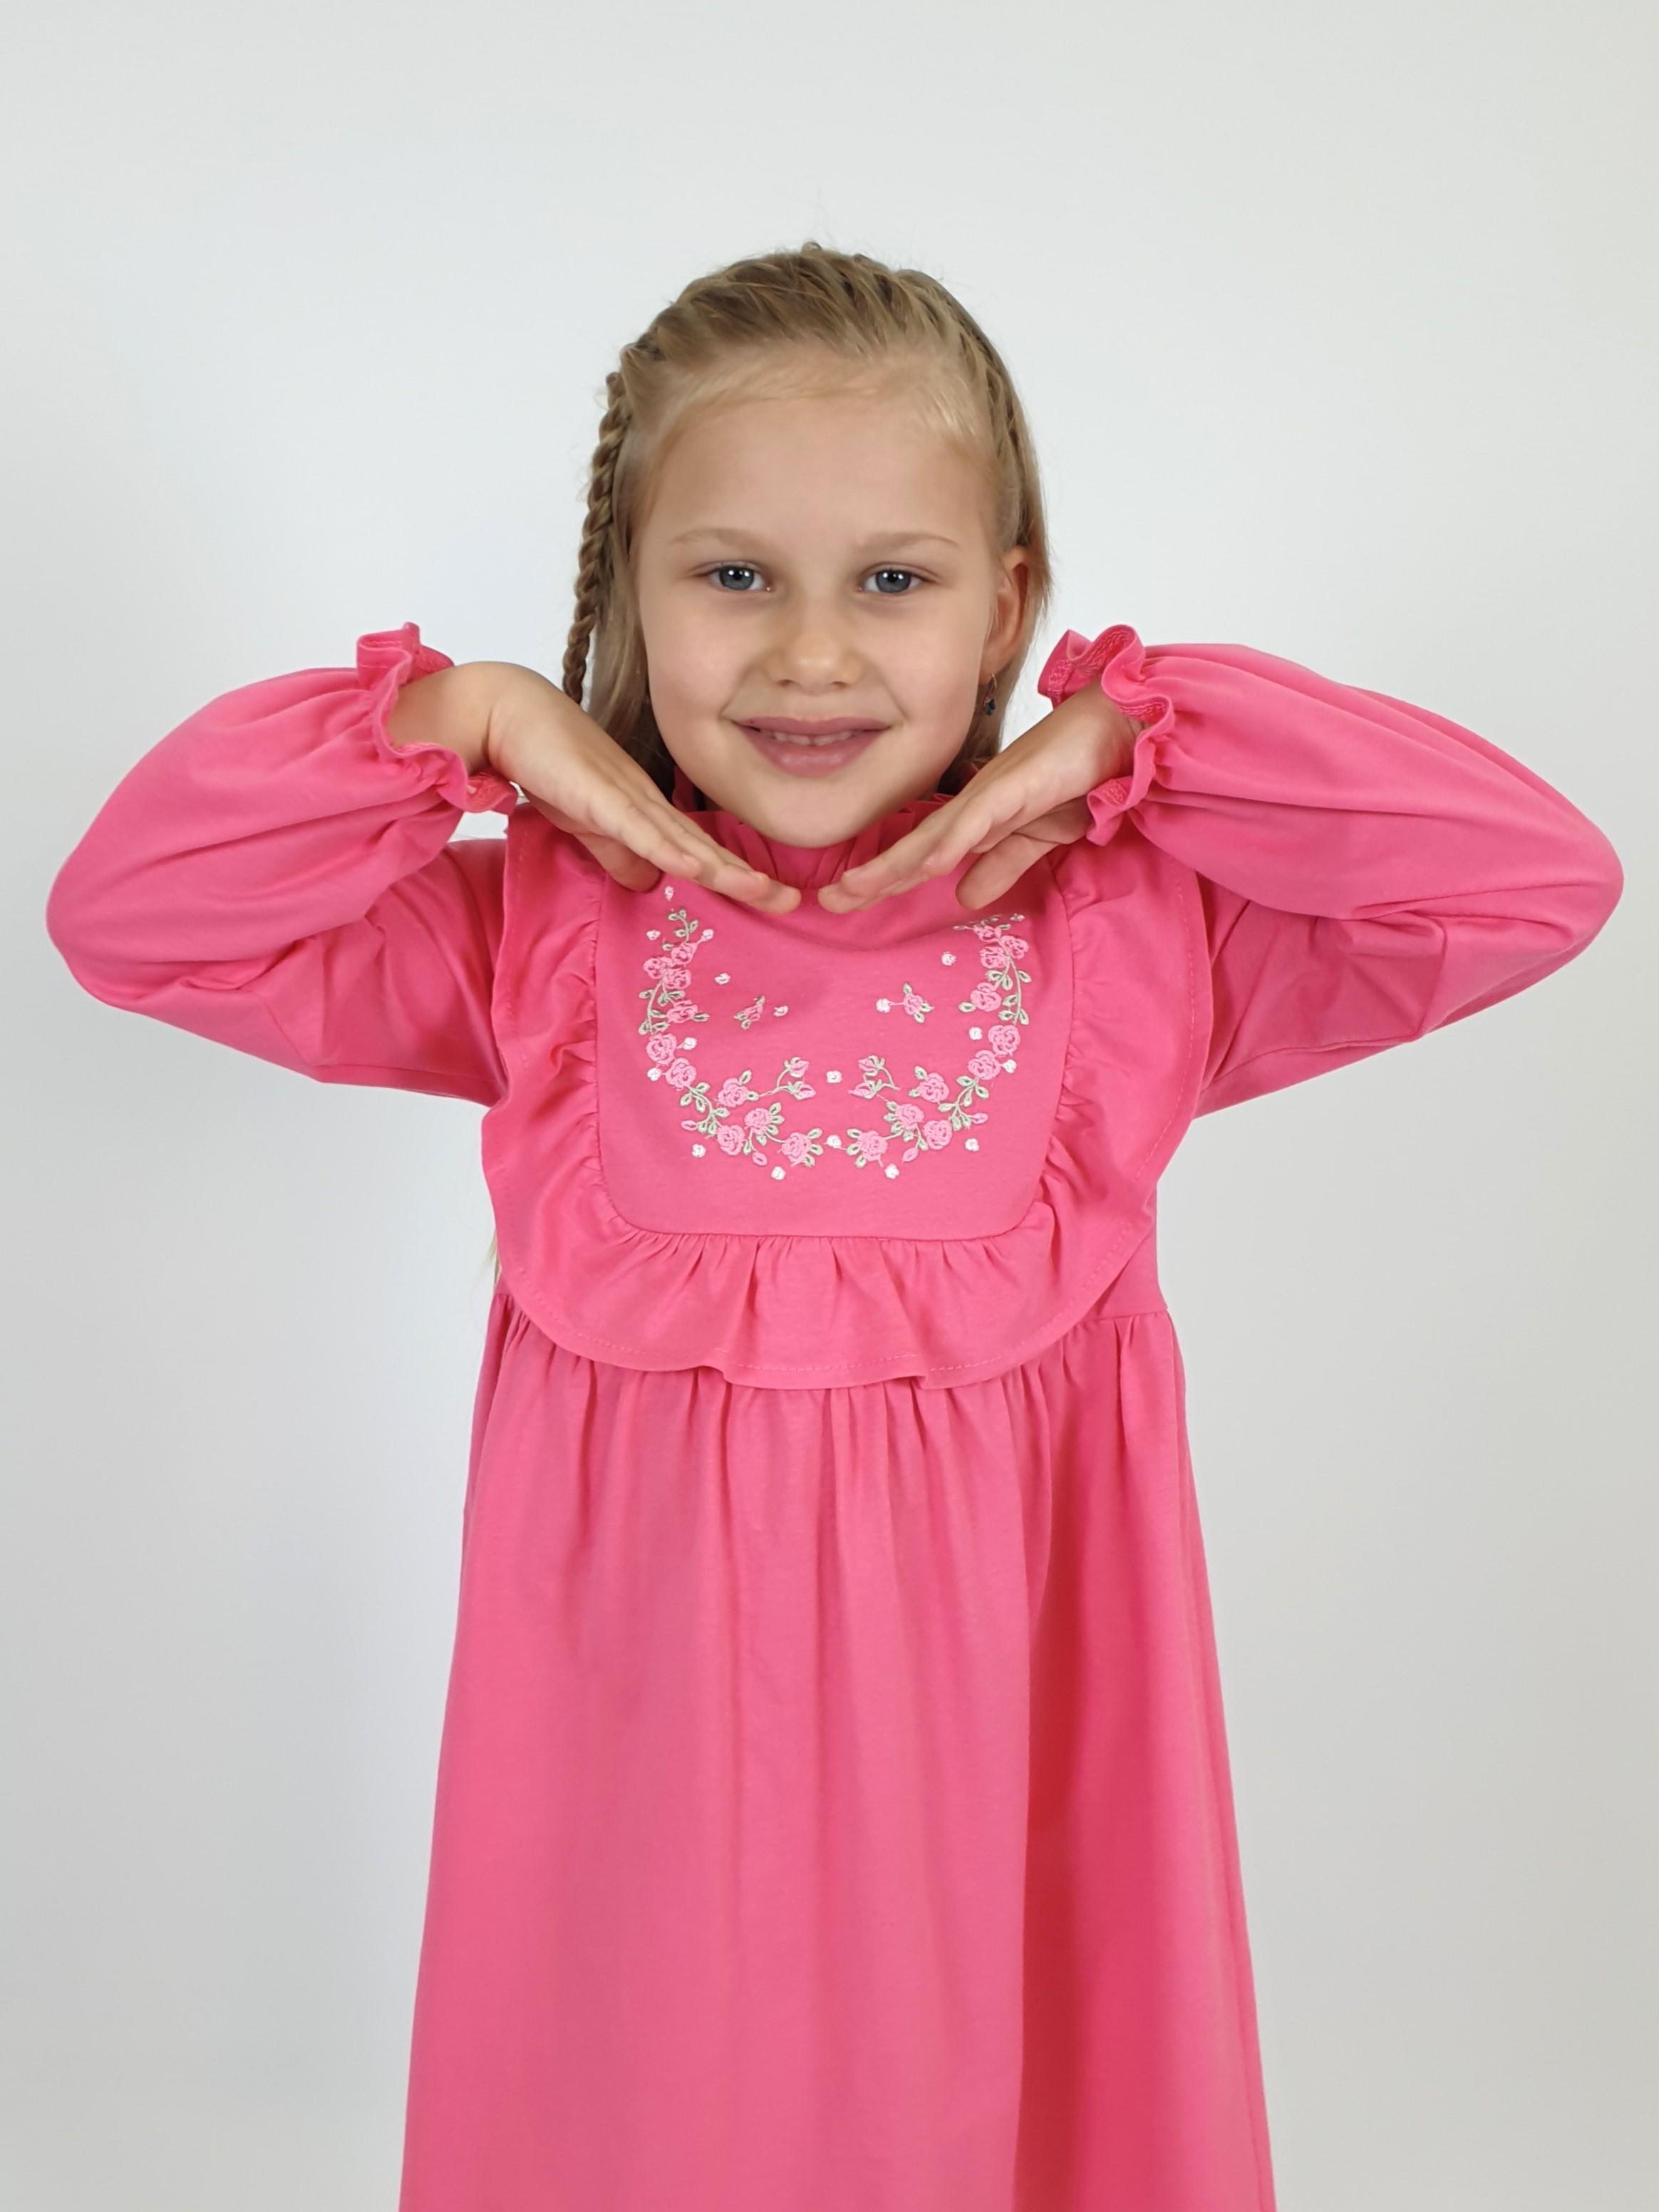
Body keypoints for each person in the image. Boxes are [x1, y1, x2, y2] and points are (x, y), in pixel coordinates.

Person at [43, 241, 1623, 2212]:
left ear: (1005, 604)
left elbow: (1532, 880)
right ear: (630, 593)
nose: (810, 656)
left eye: (895, 580)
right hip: (638, 1850)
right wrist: (461, 716)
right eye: (732, 575)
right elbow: (135, 918)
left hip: (1007, 1820)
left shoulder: (1133, 939)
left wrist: (1149, 735)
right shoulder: (540, 934)